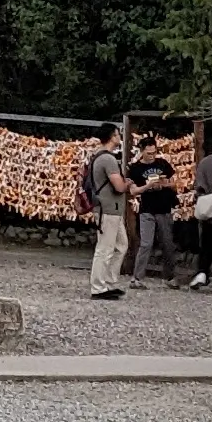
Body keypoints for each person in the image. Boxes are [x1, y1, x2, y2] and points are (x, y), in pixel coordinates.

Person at [82, 121, 133, 301]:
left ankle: (109, 282)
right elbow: (118, 186)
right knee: (105, 248)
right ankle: (98, 287)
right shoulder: (108, 159)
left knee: (121, 245)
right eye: (118, 134)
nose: (119, 137)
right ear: (112, 137)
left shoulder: (97, 156)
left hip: (112, 209)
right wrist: (127, 184)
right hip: (108, 209)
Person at [134, 136, 184, 287]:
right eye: (149, 153)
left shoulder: (163, 163)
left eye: (154, 152)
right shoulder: (136, 168)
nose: (152, 156)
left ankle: (170, 277)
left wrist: (164, 184)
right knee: (146, 243)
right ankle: (137, 278)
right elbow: (134, 190)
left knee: (168, 243)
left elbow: (176, 183)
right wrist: (148, 186)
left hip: (164, 208)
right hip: (147, 209)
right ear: (141, 151)